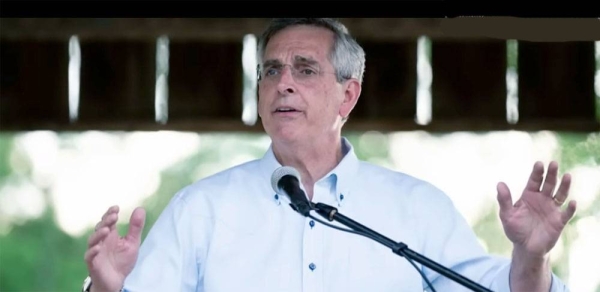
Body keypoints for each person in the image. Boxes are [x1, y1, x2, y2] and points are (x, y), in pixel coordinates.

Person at [83, 18, 577, 292]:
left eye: (305, 69)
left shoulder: (417, 208)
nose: (284, 83)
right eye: (271, 71)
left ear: (348, 96)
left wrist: (530, 257)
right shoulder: (202, 209)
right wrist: (107, 288)